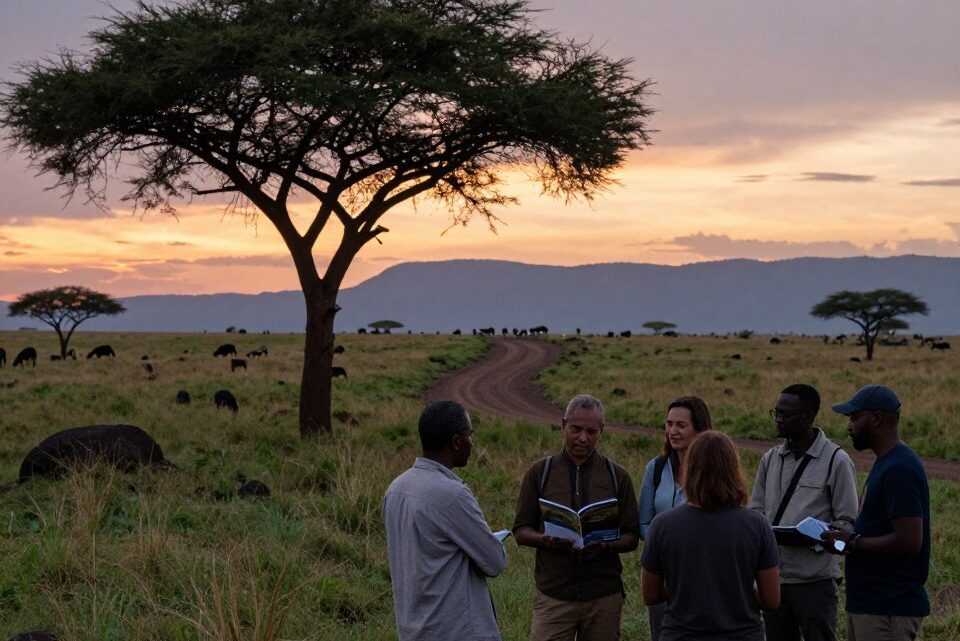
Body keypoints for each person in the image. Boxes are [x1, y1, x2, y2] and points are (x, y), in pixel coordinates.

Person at [513, 394, 639, 641]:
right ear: (563, 425)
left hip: (603, 596)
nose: (583, 438)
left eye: (592, 432)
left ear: (601, 430)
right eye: (576, 429)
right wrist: (546, 540)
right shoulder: (540, 473)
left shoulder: (617, 477)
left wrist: (605, 546)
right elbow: (520, 529)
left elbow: (632, 536)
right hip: (554, 597)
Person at [383, 400, 508, 641]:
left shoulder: (396, 489)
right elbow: (495, 562)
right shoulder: (452, 494)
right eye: (469, 435)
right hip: (455, 630)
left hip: (413, 628)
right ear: (456, 441)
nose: (472, 444)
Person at [641, 431, 781, 641]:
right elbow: (771, 600)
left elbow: (650, 595)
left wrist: (685, 584)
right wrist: (738, 588)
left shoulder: (662, 525)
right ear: (734, 471)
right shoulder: (756, 525)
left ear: (689, 470)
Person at [748, 383, 858, 641]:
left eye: (785, 415)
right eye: (775, 413)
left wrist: (821, 538)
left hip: (815, 580)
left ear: (808, 416)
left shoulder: (836, 460)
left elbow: (848, 521)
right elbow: (755, 512)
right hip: (774, 577)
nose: (778, 420)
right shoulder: (770, 459)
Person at [821, 385, 931, 641]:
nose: (850, 426)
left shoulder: (899, 468)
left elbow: (909, 541)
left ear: (877, 418)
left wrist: (852, 542)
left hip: (888, 610)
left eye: (854, 417)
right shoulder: (886, 462)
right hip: (871, 606)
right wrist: (843, 541)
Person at [638, 395, 713, 640]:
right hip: (661, 572)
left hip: (701, 573)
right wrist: (664, 548)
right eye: (669, 424)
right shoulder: (656, 468)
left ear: (699, 428)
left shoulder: (713, 471)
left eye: (681, 425)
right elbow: (644, 521)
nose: (673, 431)